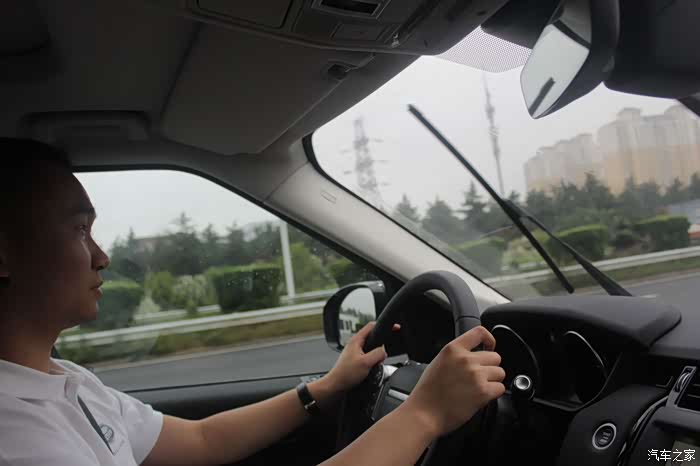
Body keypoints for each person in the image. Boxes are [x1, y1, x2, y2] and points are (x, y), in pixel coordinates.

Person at [0, 138, 506, 466]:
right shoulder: (15, 432)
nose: (102, 256)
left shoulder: (67, 381)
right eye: (79, 230)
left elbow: (203, 440)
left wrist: (326, 388)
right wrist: (424, 415)